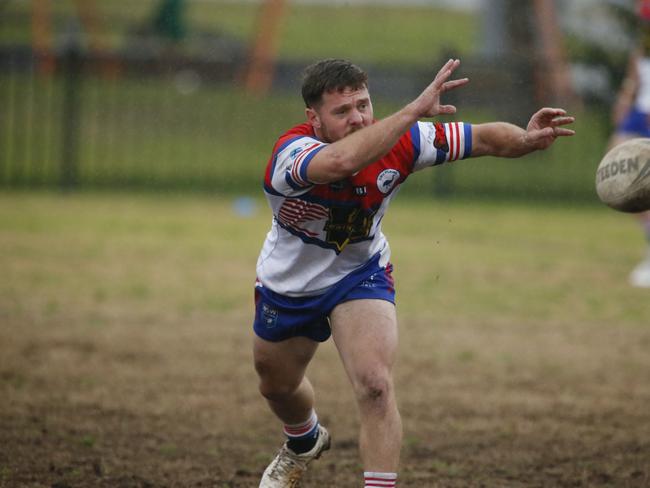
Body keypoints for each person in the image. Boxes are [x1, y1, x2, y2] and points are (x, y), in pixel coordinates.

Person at [253, 58, 575, 488]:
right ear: (313, 118)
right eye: (342, 112)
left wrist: (525, 138)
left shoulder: (405, 140)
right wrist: (411, 112)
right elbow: (341, 162)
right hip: (290, 284)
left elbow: (481, 138)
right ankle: (303, 439)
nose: (358, 118)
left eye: (363, 105)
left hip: (359, 274)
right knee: (277, 386)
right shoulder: (291, 153)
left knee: (375, 386)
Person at [608, 0, 650, 288]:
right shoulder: (643, 44)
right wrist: (624, 98)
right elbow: (635, 76)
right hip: (641, 112)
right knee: (617, 172)